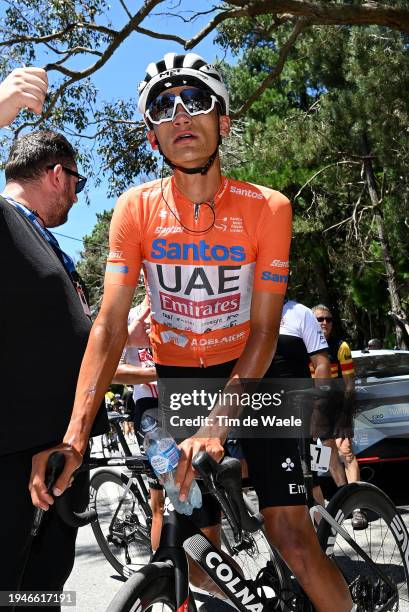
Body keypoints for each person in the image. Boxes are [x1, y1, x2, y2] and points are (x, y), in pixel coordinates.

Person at [31, 53, 353, 611]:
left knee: (293, 538)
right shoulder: (136, 208)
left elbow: (264, 328)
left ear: (223, 122)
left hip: (262, 369)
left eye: (197, 100)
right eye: (163, 106)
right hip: (182, 373)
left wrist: (216, 427)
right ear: (153, 135)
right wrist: (76, 435)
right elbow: (108, 326)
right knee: (188, 543)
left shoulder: (267, 208)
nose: (181, 115)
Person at [0, 69, 107, 608]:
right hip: (15, 459)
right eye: (78, 183)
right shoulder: (5, 219)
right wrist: (2, 105)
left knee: (40, 589)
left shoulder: (43, 243)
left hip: (59, 451)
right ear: (58, 174)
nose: (75, 196)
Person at [112, 297, 163, 551]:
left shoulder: (181, 313)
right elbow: (112, 369)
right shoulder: (132, 316)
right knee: (163, 501)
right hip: (149, 406)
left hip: (186, 401)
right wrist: (159, 372)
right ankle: (161, 573)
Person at [312, 304, 367, 530]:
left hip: (338, 408)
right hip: (316, 412)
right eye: (319, 319)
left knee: (346, 451)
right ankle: (342, 502)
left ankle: (357, 508)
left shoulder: (341, 347)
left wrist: (345, 416)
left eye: (328, 319)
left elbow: (349, 386)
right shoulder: (304, 346)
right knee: (326, 458)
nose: (324, 323)